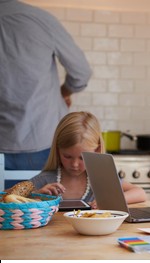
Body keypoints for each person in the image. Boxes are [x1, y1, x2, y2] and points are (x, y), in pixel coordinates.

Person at [0, 0, 92, 188]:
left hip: (7, 141)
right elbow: (81, 73)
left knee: (6, 212)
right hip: (43, 139)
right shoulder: (39, 19)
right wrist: (63, 92)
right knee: (48, 210)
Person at [30, 111, 146, 208]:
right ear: (57, 149)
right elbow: (12, 199)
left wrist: (110, 202)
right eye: (67, 156)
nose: (75, 164)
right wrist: (36, 197)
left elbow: (140, 193)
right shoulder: (46, 180)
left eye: (82, 157)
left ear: (97, 150)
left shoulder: (101, 179)